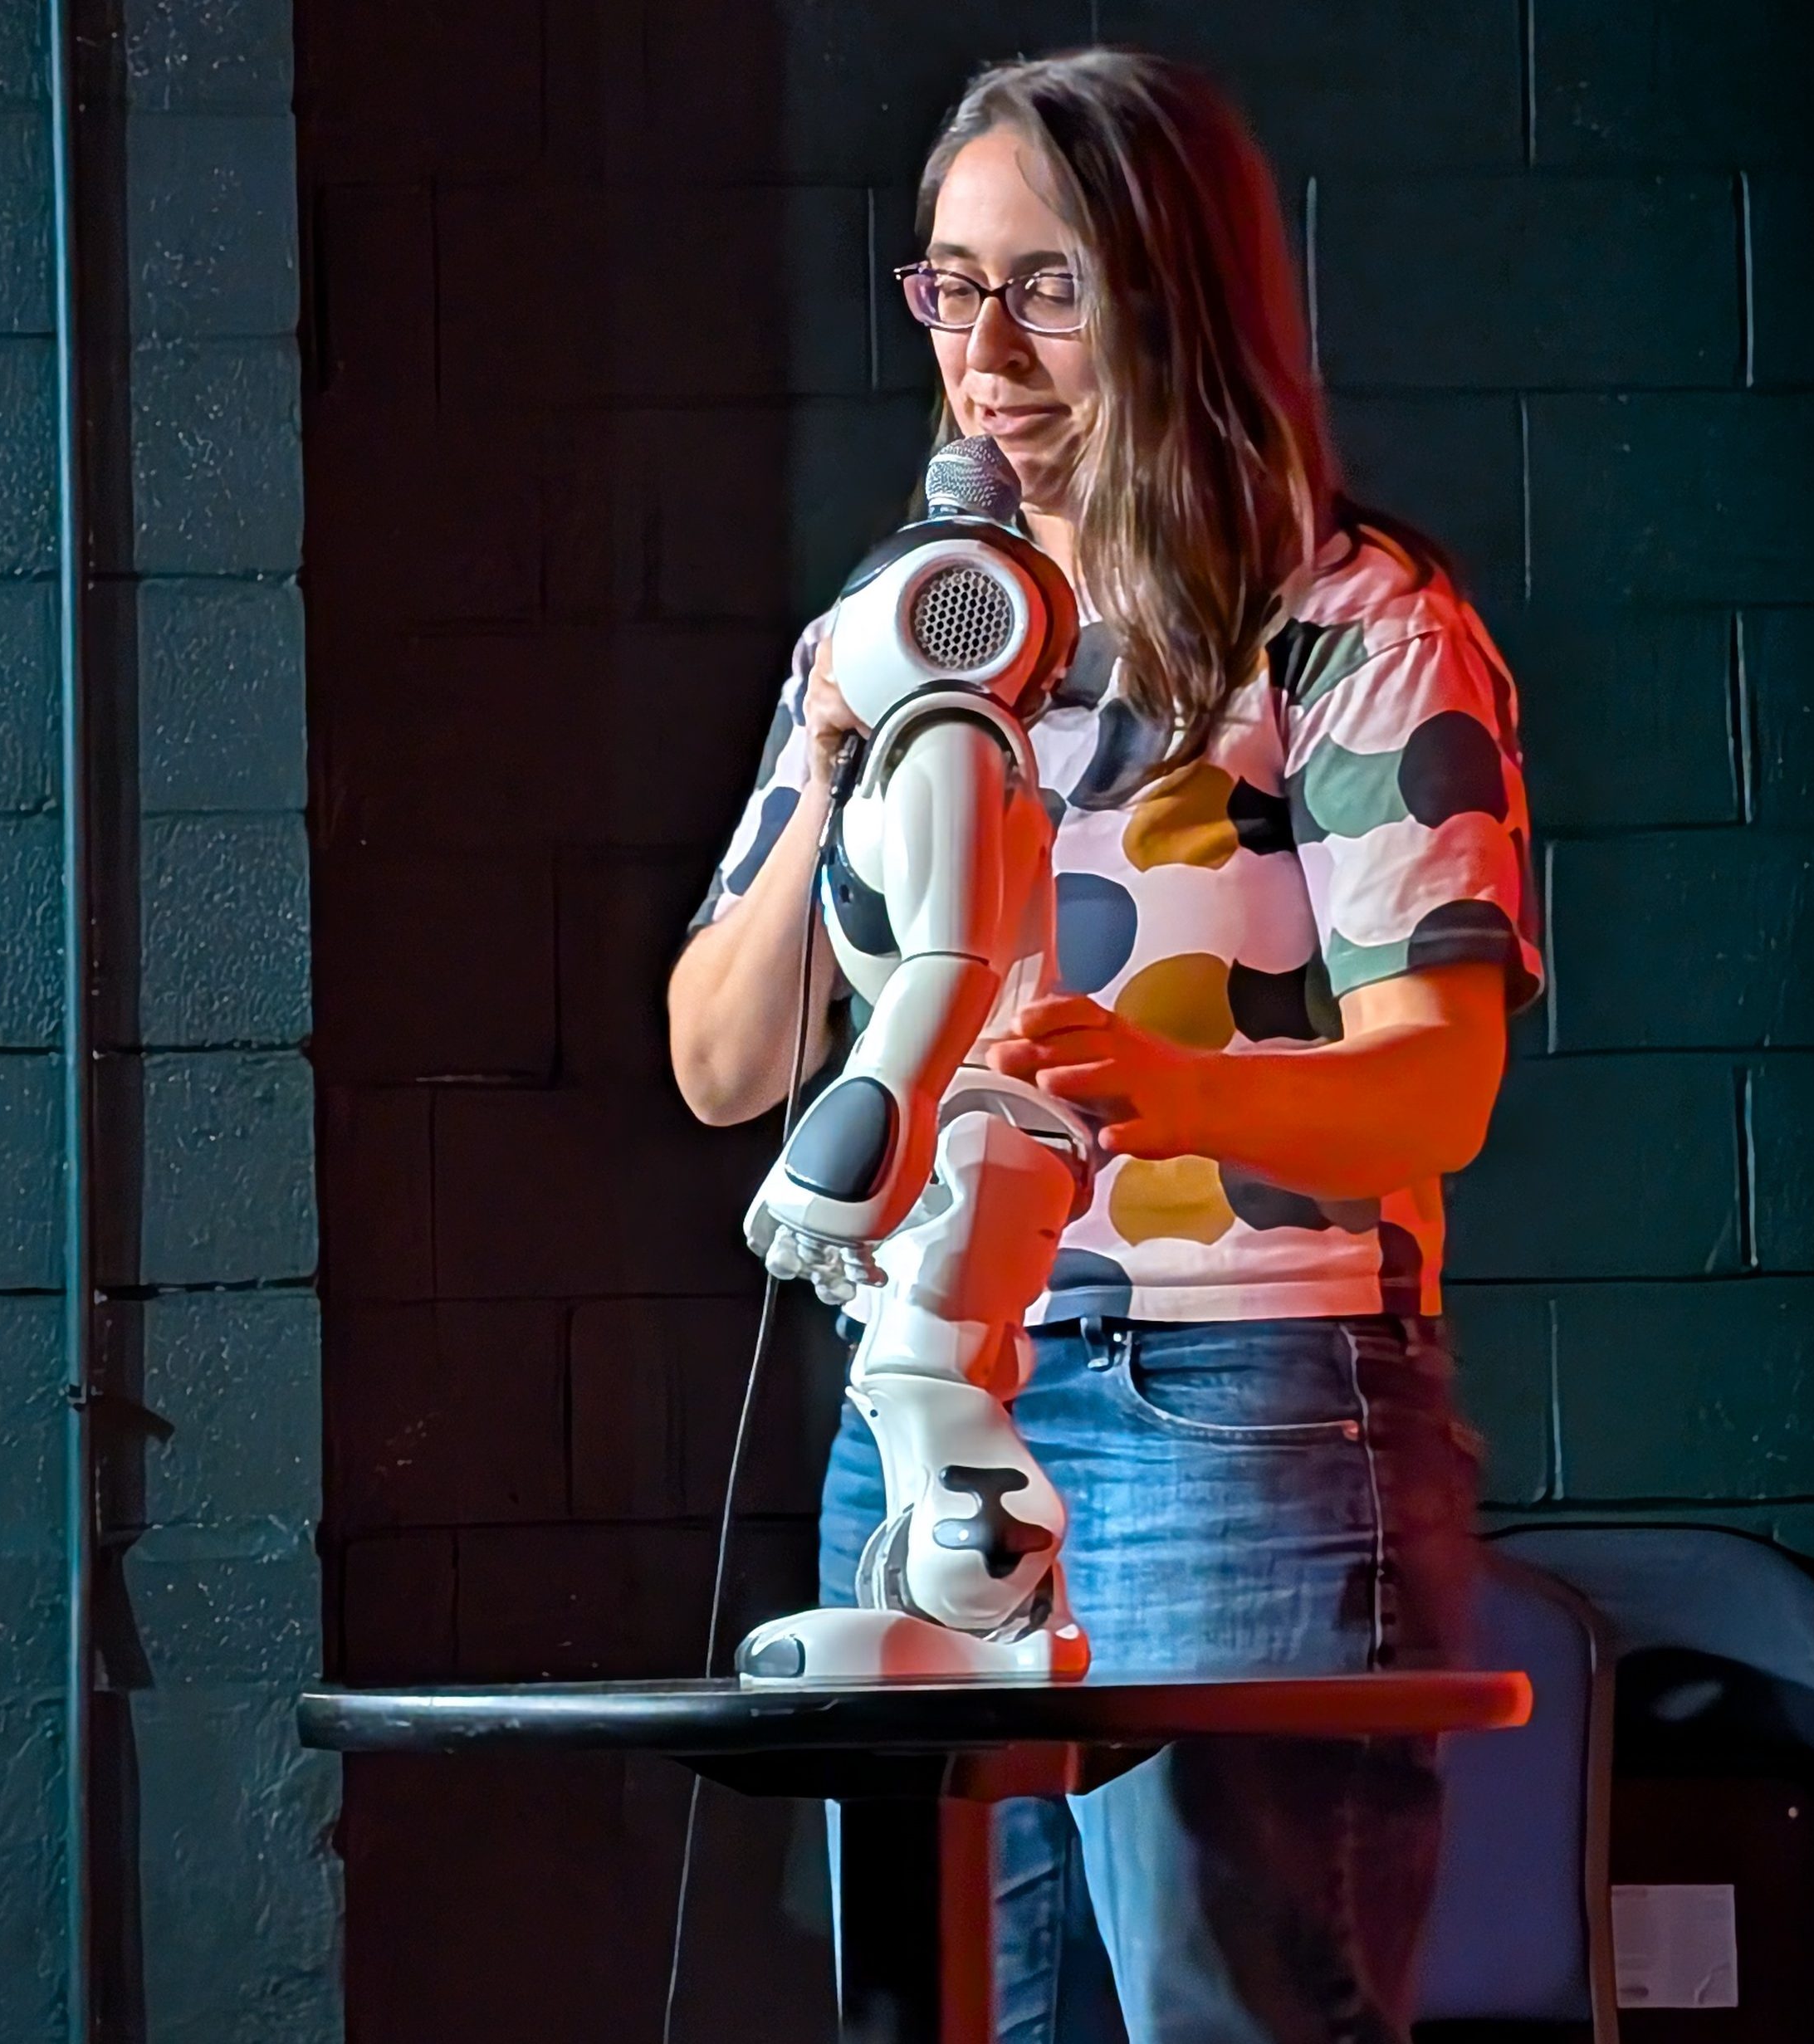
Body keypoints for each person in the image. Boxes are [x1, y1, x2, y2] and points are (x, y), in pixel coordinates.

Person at [667, 48, 1539, 2044]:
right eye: (951, 286)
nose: (990, 348)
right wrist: (824, 775)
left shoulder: (1347, 626)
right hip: (935, 1408)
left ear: (1172, 298)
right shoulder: (888, 646)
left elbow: (1439, 1082)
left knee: (1225, 2012)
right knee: (958, 2006)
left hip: (1237, 1408)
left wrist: (1173, 1089)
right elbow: (723, 1061)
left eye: (1048, 286)